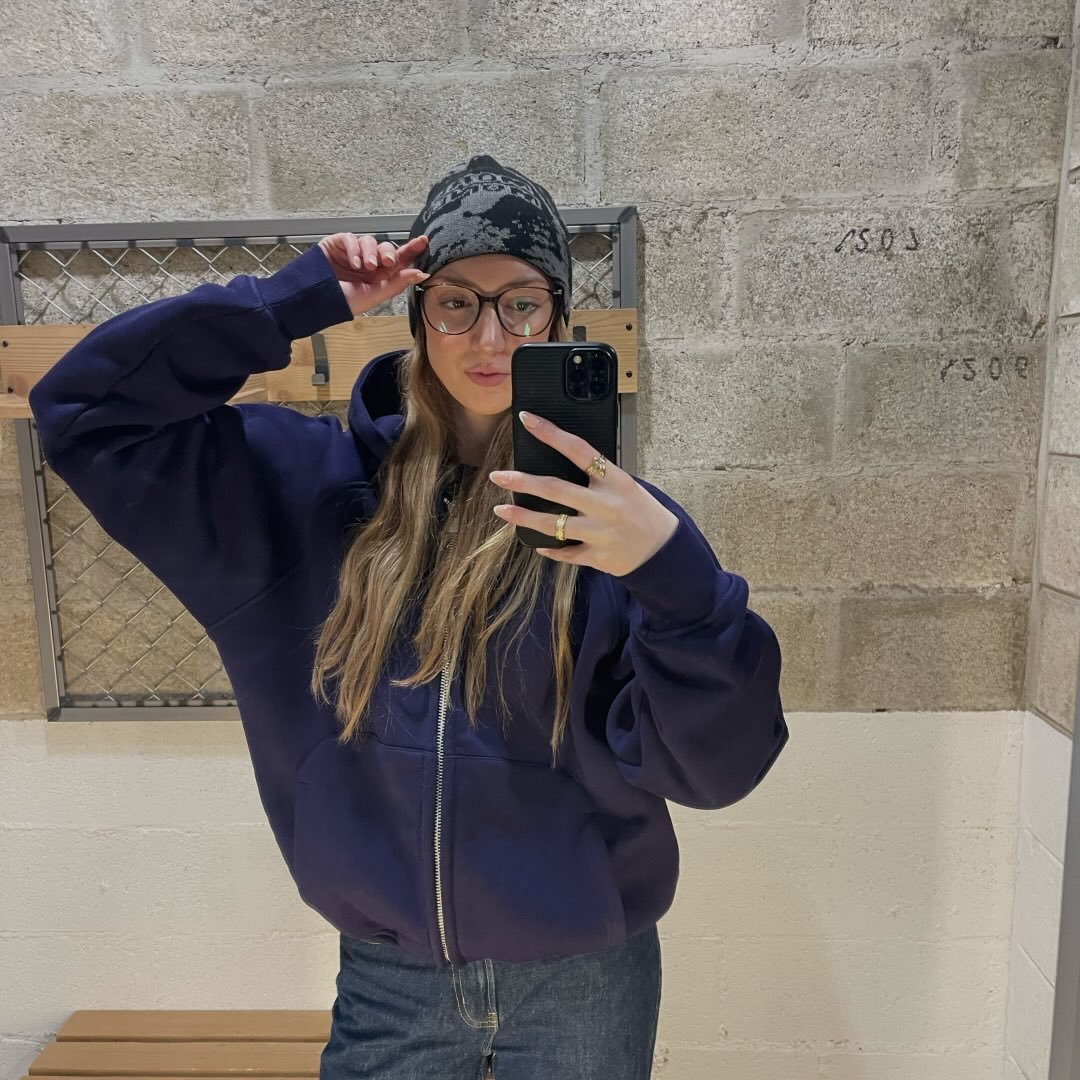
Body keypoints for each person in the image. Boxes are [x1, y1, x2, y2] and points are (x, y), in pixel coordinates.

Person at [28, 154, 789, 1079]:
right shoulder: (303, 490)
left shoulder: (617, 528)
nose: (490, 335)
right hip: (392, 985)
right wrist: (290, 303)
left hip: (586, 980)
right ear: (418, 313)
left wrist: (676, 577)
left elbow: (716, 773)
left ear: (559, 318)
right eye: (457, 301)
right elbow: (84, 413)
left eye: (522, 303)